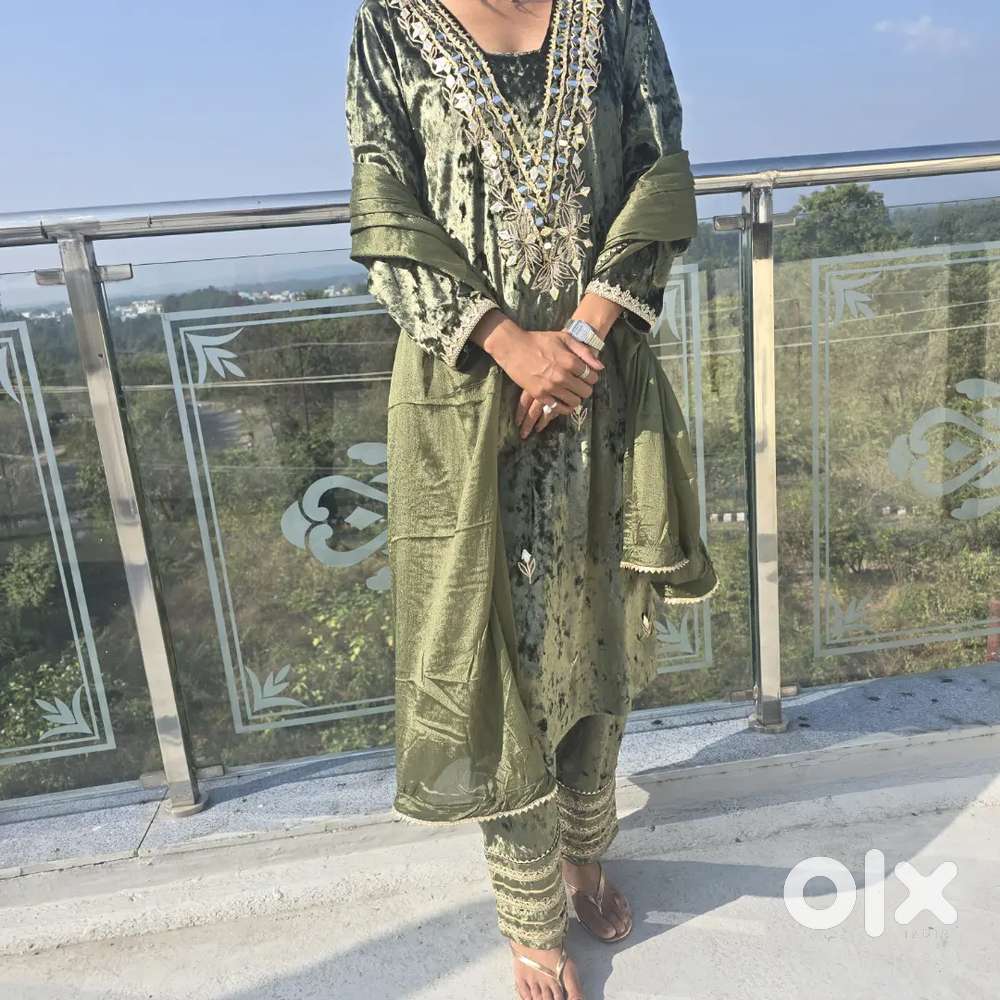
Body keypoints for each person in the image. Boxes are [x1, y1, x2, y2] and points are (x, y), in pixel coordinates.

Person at [346, 1, 718, 996]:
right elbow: (383, 205)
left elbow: (656, 170)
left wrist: (581, 342)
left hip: (600, 388)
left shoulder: (611, 11)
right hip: (470, 399)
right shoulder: (391, 22)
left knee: (595, 628)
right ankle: (529, 908)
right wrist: (511, 346)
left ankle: (584, 853)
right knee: (494, 652)